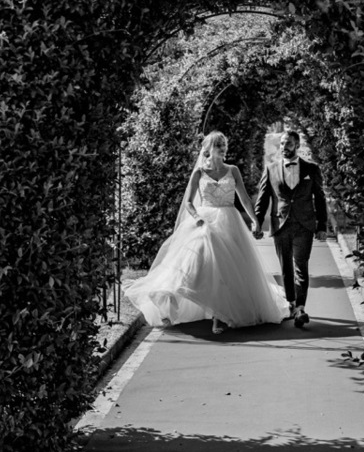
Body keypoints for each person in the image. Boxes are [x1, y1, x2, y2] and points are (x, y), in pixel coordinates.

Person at [124, 131, 290, 334]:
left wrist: (255, 221)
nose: (223, 148)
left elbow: (245, 199)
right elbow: (188, 202)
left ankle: (219, 316)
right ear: (209, 148)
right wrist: (197, 218)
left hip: (229, 221)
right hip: (205, 220)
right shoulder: (199, 172)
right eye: (219, 145)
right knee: (193, 262)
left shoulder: (233, 170)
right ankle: (169, 295)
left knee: (226, 269)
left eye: (224, 144)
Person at [253, 130, 328, 329]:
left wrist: (322, 225)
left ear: (297, 145)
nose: (284, 147)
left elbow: (320, 198)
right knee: (286, 267)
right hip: (280, 224)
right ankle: (291, 304)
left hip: (304, 225)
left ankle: (301, 308)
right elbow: (263, 198)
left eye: (288, 143)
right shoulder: (271, 169)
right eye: (282, 143)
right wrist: (257, 223)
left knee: (301, 266)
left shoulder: (311, 169)